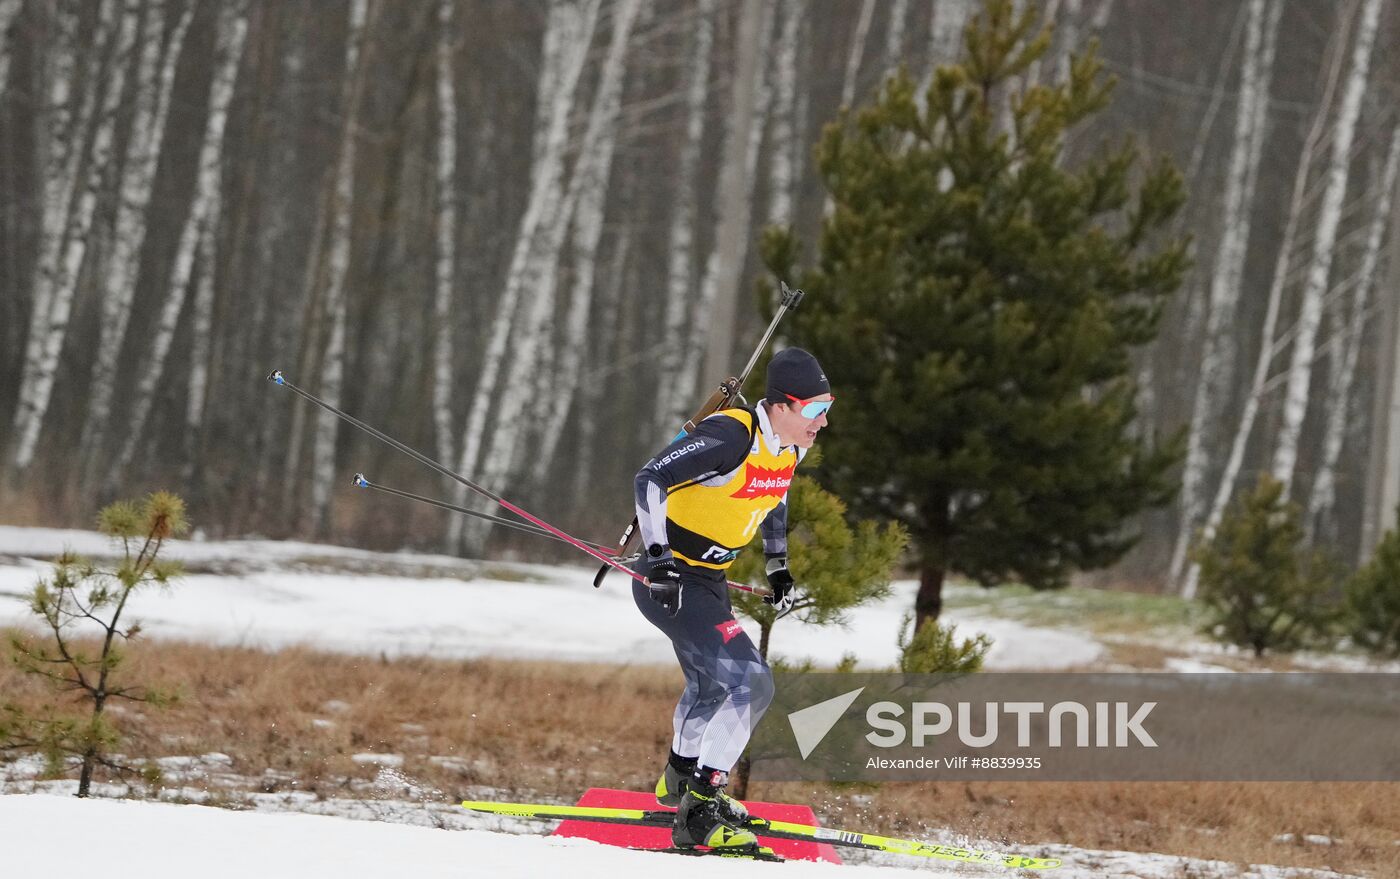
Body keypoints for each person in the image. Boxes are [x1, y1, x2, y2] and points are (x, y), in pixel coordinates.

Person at [632, 347, 833, 850]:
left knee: (712, 687)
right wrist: (657, 558)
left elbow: (774, 494)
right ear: (782, 406)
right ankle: (702, 808)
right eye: (813, 409)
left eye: (828, 406)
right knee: (751, 683)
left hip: (710, 582)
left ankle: (679, 783)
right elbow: (650, 478)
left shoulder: (789, 447)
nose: (823, 420)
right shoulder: (731, 434)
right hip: (673, 582)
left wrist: (778, 565)